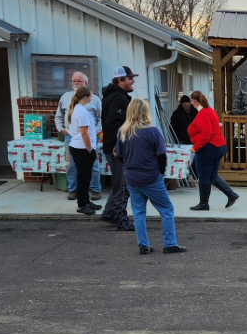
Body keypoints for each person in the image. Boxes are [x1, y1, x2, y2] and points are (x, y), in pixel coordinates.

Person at [114, 99, 187, 255]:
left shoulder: (123, 131)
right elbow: (161, 155)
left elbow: (119, 155)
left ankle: (143, 244)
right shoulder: (152, 131)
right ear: (145, 112)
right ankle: (170, 243)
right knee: (166, 209)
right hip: (151, 176)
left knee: (139, 212)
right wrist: (161, 172)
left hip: (132, 177)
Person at [186, 90, 239, 210]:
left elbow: (206, 132)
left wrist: (196, 147)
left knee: (204, 176)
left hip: (208, 148)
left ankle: (204, 203)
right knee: (212, 175)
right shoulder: (210, 111)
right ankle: (231, 194)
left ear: (194, 101)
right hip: (219, 147)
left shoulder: (203, 113)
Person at [55, 72, 102, 201]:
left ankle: (95, 189)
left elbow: (100, 119)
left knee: (93, 164)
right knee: (71, 164)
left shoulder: (95, 100)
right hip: (71, 137)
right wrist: (62, 129)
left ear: (86, 83)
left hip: (89, 137)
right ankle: (73, 189)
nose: (75, 83)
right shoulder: (65, 98)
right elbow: (59, 116)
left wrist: (94, 131)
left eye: (79, 81)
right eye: (73, 80)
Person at [100, 66, 136, 231]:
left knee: (117, 182)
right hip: (117, 148)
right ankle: (121, 220)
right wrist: (118, 146)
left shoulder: (113, 95)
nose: (132, 80)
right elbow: (113, 123)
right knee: (123, 184)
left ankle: (109, 214)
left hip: (112, 145)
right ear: (120, 80)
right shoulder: (118, 98)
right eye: (129, 78)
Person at [67, 86, 102, 216]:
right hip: (82, 149)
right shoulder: (81, 112)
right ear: (86, 97)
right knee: (83, 177)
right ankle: (82, 205)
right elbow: (84, 134)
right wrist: (89, 149)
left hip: (78, 147)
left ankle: (86, 201)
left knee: (85, 177)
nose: (92, 98)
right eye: (91, 95)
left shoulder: (77, 109)